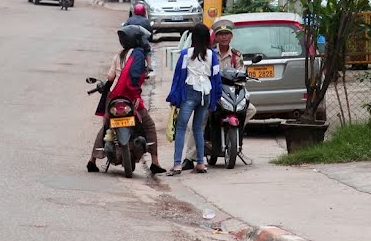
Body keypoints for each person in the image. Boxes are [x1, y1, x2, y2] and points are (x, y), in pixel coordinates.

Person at [86, 23, 166, 174]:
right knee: (148, 125)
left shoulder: (118, 55)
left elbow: (111, 77)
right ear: (136, 40)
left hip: (113, 96)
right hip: (130, 97)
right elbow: (134, 78)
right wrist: (135, 94)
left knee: (106, 127)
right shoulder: (138, 55)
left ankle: (92, 160)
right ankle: (155, 161)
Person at [180, 18, 256, 170]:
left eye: (227, 34)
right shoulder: (209, 53)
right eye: (221, 34)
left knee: (251, 109)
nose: (224, 37)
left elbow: (241, 76)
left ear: (231, 36)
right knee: (198, 122)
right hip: (212, 93)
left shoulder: (236, 55)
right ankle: (189, 157)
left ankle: (234, 138)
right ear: (216, 36)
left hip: (230, 94)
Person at [166, 23, 221, 175]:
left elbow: (178, 77)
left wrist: (174, 97)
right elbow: (216, 79)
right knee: (198, 129)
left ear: (193, 37)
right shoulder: (212, 55)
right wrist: (215, 99)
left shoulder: (185, 54)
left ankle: (177, 164)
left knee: (181, 128)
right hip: (206, 93)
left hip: (190, 92)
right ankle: (201, 163)